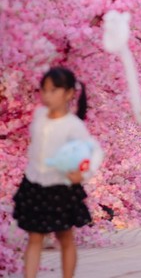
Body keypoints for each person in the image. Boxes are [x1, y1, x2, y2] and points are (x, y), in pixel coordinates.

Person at [13, 67, 103, 278]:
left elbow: (93, 150)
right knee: (35, 237)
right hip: (35, 184)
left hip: (61, 187)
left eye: (54, 90)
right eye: (44, 90)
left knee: (64, 237)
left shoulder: (74, 126)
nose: (47, 96)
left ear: (69, 93)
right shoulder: (39, 115)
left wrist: (84, 173)